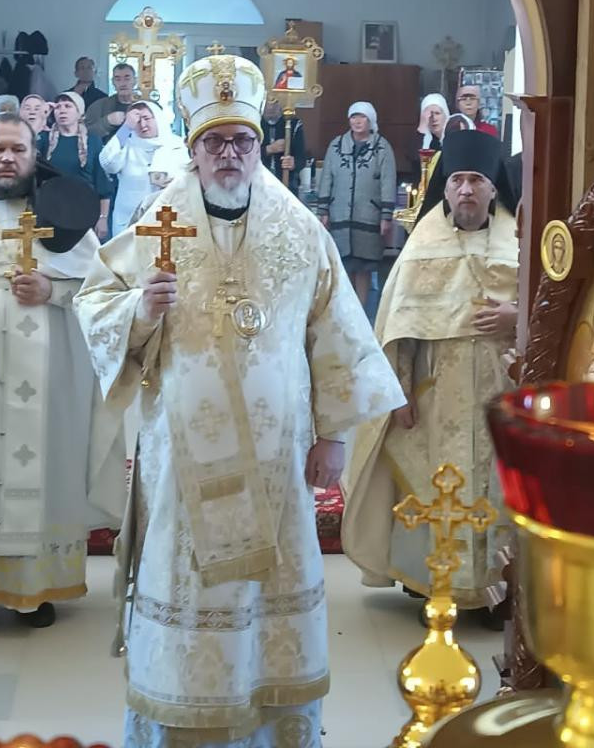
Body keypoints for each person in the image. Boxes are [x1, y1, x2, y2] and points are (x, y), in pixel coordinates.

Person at [74, 53, 404, 748]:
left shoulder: (300, 230)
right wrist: (140, 309)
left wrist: (333, 436)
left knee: (272, 591)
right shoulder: (159, 220)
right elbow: (96, 302)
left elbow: (337, 332)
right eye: (215, 142)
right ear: (193, 150)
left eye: (243, 141)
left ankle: (270, 729)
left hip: (279, 456)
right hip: (181, 457)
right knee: (187, 579)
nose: (230, 154)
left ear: (259, 144)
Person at [0, 114, 126, 629]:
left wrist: (53, 290)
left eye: (18, 149)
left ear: (36, 156)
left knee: (46, 464)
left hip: (49, 373)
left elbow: (99, 290)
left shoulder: (63, 214)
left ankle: (36, 590)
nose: (7, 158)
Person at [343, 129, 519, 621]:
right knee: (436, 488)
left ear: (493, 188)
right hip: (436, 394)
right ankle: (438, 583)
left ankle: (497, 587)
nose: (466, 190)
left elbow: (551, 307)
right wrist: (397, 391)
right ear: (444, 188)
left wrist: (517, 317)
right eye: (457, 180)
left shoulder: (518, 241)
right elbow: (396, 327)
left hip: (502, 390)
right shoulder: (424, 243)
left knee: (497, 488)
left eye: (476, 180)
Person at [317, 101, 397, 310]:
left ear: (371, 121)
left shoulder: (382, 147)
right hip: (340, 214)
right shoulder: (336, 145)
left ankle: (360, 309)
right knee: (344, 265)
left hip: (368, 214)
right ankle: (346, 309)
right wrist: (323, 210)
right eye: (354, 117)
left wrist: (386, 216)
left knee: (364, 267)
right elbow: (327, 178)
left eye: (362, 117)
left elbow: (388, 181)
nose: (357, 121)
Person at [99, 99, 188, 237]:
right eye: (137, 121)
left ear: (158, 118)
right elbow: (108, 163)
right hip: (130, 222)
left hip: (169, 220)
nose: (143, 125)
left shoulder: (178, 145)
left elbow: (191, 178)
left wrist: (173, 181)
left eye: (146, 118)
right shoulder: (127, 145)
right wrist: (125, 128)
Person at [39, 91, 112, 239]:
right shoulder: (45, 140)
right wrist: (42, 116)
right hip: (53, 209)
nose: (62, 110)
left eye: (68, 106)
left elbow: (102, 183)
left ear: (80, 113)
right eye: (58, 107)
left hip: (84, 208)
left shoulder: (93, 141)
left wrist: (103, 218)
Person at [260, 95, 306, 194]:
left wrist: (293, 163)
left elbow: (302, 159)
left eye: (275, 102)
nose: (271, 107)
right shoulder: (254, 122)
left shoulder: (293, 123)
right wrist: (268, 149)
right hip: (259, 185)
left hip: (287, 186)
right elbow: (244, 155)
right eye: (268, 102)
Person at [85, 62, 140, 142]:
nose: (122, 83)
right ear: (113, 82)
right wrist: (107, 121)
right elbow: (86, 135)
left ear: (135, 81)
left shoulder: (146, 107)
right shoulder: (98, 106)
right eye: (118, 79)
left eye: (127, 79)